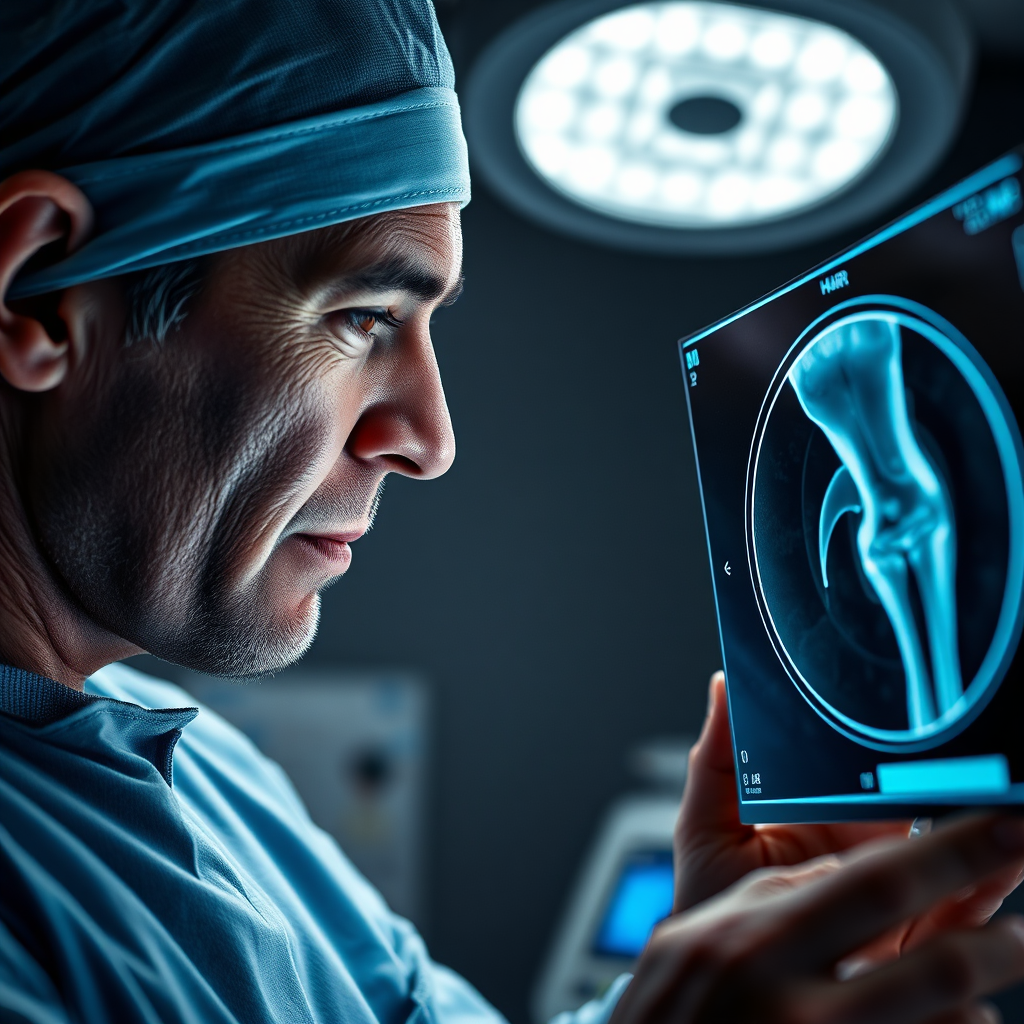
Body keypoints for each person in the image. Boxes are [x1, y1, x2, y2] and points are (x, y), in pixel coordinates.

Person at [0, 2, 1023, 1022]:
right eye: (362, 318)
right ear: (39, 295)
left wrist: (710, 978)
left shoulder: (217, 782)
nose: (429, 440)